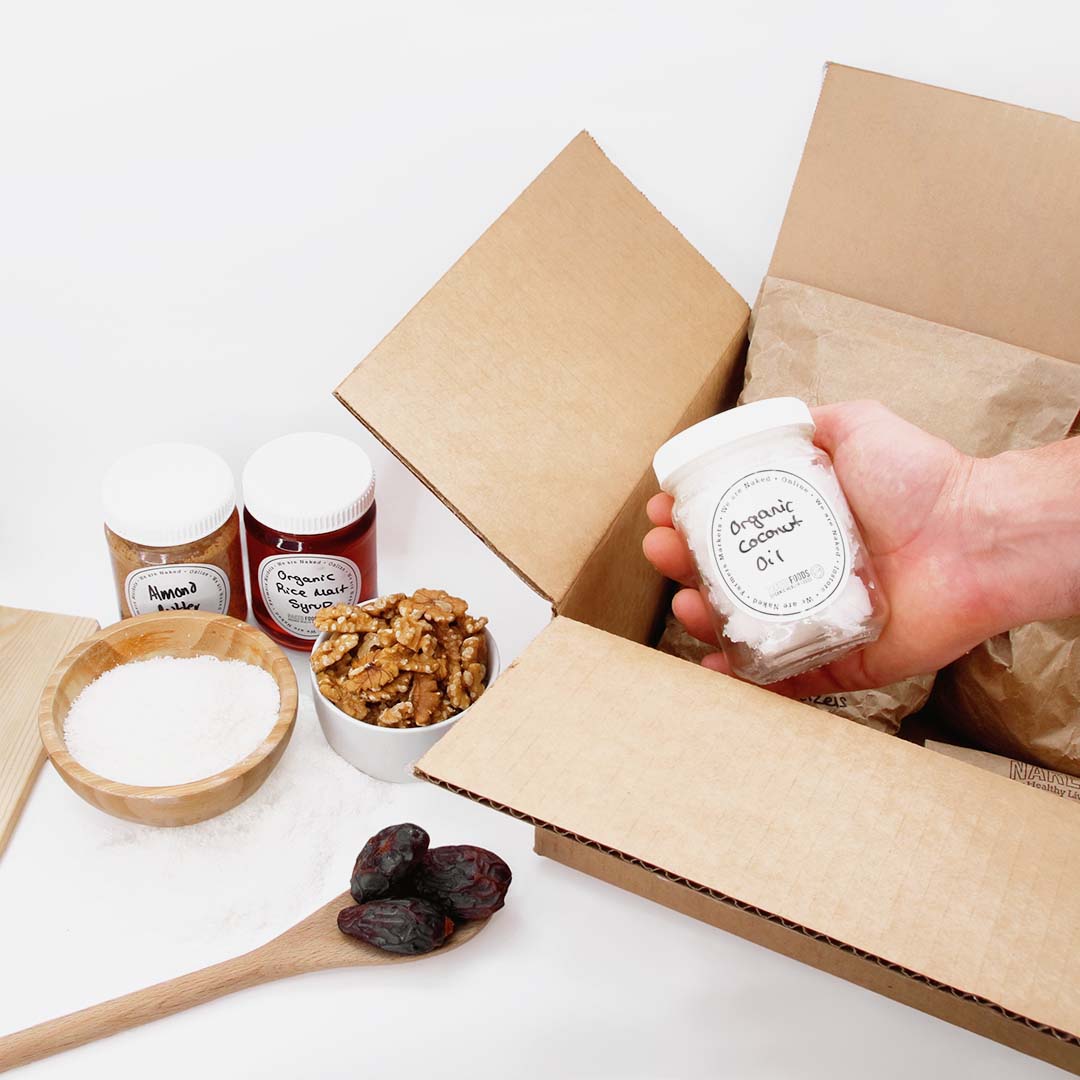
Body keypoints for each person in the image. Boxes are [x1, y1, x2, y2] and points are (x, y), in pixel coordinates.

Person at [643, 400, 1080, 698]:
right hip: (772, 643)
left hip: (850, 617)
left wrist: (957, 500)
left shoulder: (798, 454)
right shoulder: (696, 498)